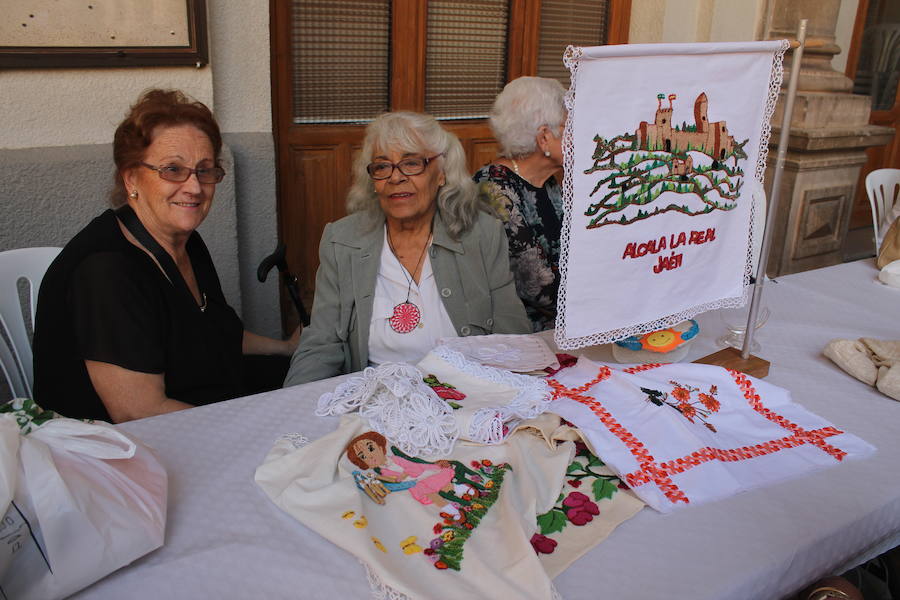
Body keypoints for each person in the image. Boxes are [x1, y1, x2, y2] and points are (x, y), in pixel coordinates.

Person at [32, 89, 298, 423]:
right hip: (122, 446)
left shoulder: (186, 241)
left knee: (311, 379)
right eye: (173, 169)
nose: (194, 187)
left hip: (199, 396)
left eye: (205, 170)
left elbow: (215, 332)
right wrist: (253, 429)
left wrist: (286, 347)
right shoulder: (107, 271)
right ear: (131, 178)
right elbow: (140, 412)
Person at [284, 111, 530, 386]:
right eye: (382, 167)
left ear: (441, 175)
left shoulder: (482, 234)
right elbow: (321, 341)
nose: (395, 177)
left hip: (468, 393)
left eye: (411, 163)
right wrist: (291, 407)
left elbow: (512, 334)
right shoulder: (342, 240)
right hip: (376, 399)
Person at [473, 76, 567, 331]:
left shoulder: (547, 181)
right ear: (544, 137)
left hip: (563, 319)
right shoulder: (493, 189)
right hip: (520, 329)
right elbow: (536, 287)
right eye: (569, 128)